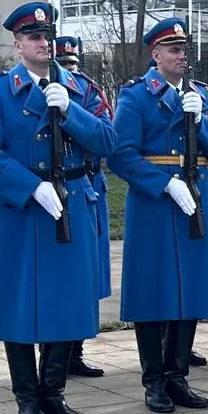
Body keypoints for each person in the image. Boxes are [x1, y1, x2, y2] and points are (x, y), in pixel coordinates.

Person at [0, 1, 115, 414]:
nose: (43, 43)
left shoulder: (80, 89)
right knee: (19, 302)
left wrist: (70, 110)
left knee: (67, 301)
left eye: (47, 36)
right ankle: (26, 396)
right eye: (33, 37)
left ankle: (54, 392)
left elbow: (109, 141)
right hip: (24, 207)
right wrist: (29, 186)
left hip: (73, 201)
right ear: (17, 44)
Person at [110, 18, 208, 414]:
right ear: (155, 54)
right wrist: (163, 183)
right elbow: (121, 155)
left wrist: (201, 120)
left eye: (184, 50)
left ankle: (178, 376)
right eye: (173, 50)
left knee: (189, 290)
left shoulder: (198, 96)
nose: (181, 56)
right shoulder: (136, 96)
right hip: (156, 202)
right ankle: (154, 381)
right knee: (152, 291)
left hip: (195, 199)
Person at [55, 35, 116, 375]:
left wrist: (70, 110)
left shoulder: (87, 93)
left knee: (86, 277)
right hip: (57, 185)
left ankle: (74, 352)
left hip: (87, 184)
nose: (70, 71)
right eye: (64, 65)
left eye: (73, 65)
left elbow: (105, 137)